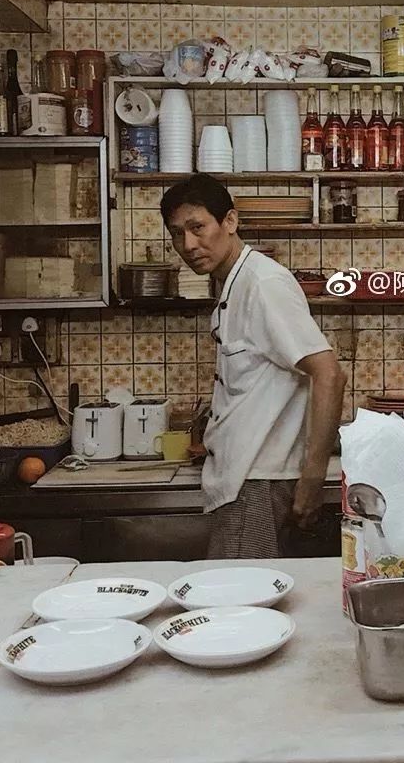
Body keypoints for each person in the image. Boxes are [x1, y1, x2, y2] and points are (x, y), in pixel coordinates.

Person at [160, 174, 347, 558]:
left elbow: (328, 372)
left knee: (239, 605)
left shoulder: (263, 283)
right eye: (178, 234)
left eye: (198, 228)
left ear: (229, 222)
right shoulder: (235, 282)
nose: (188, 245)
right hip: (244, 479)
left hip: (258, 481)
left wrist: (312, 479)